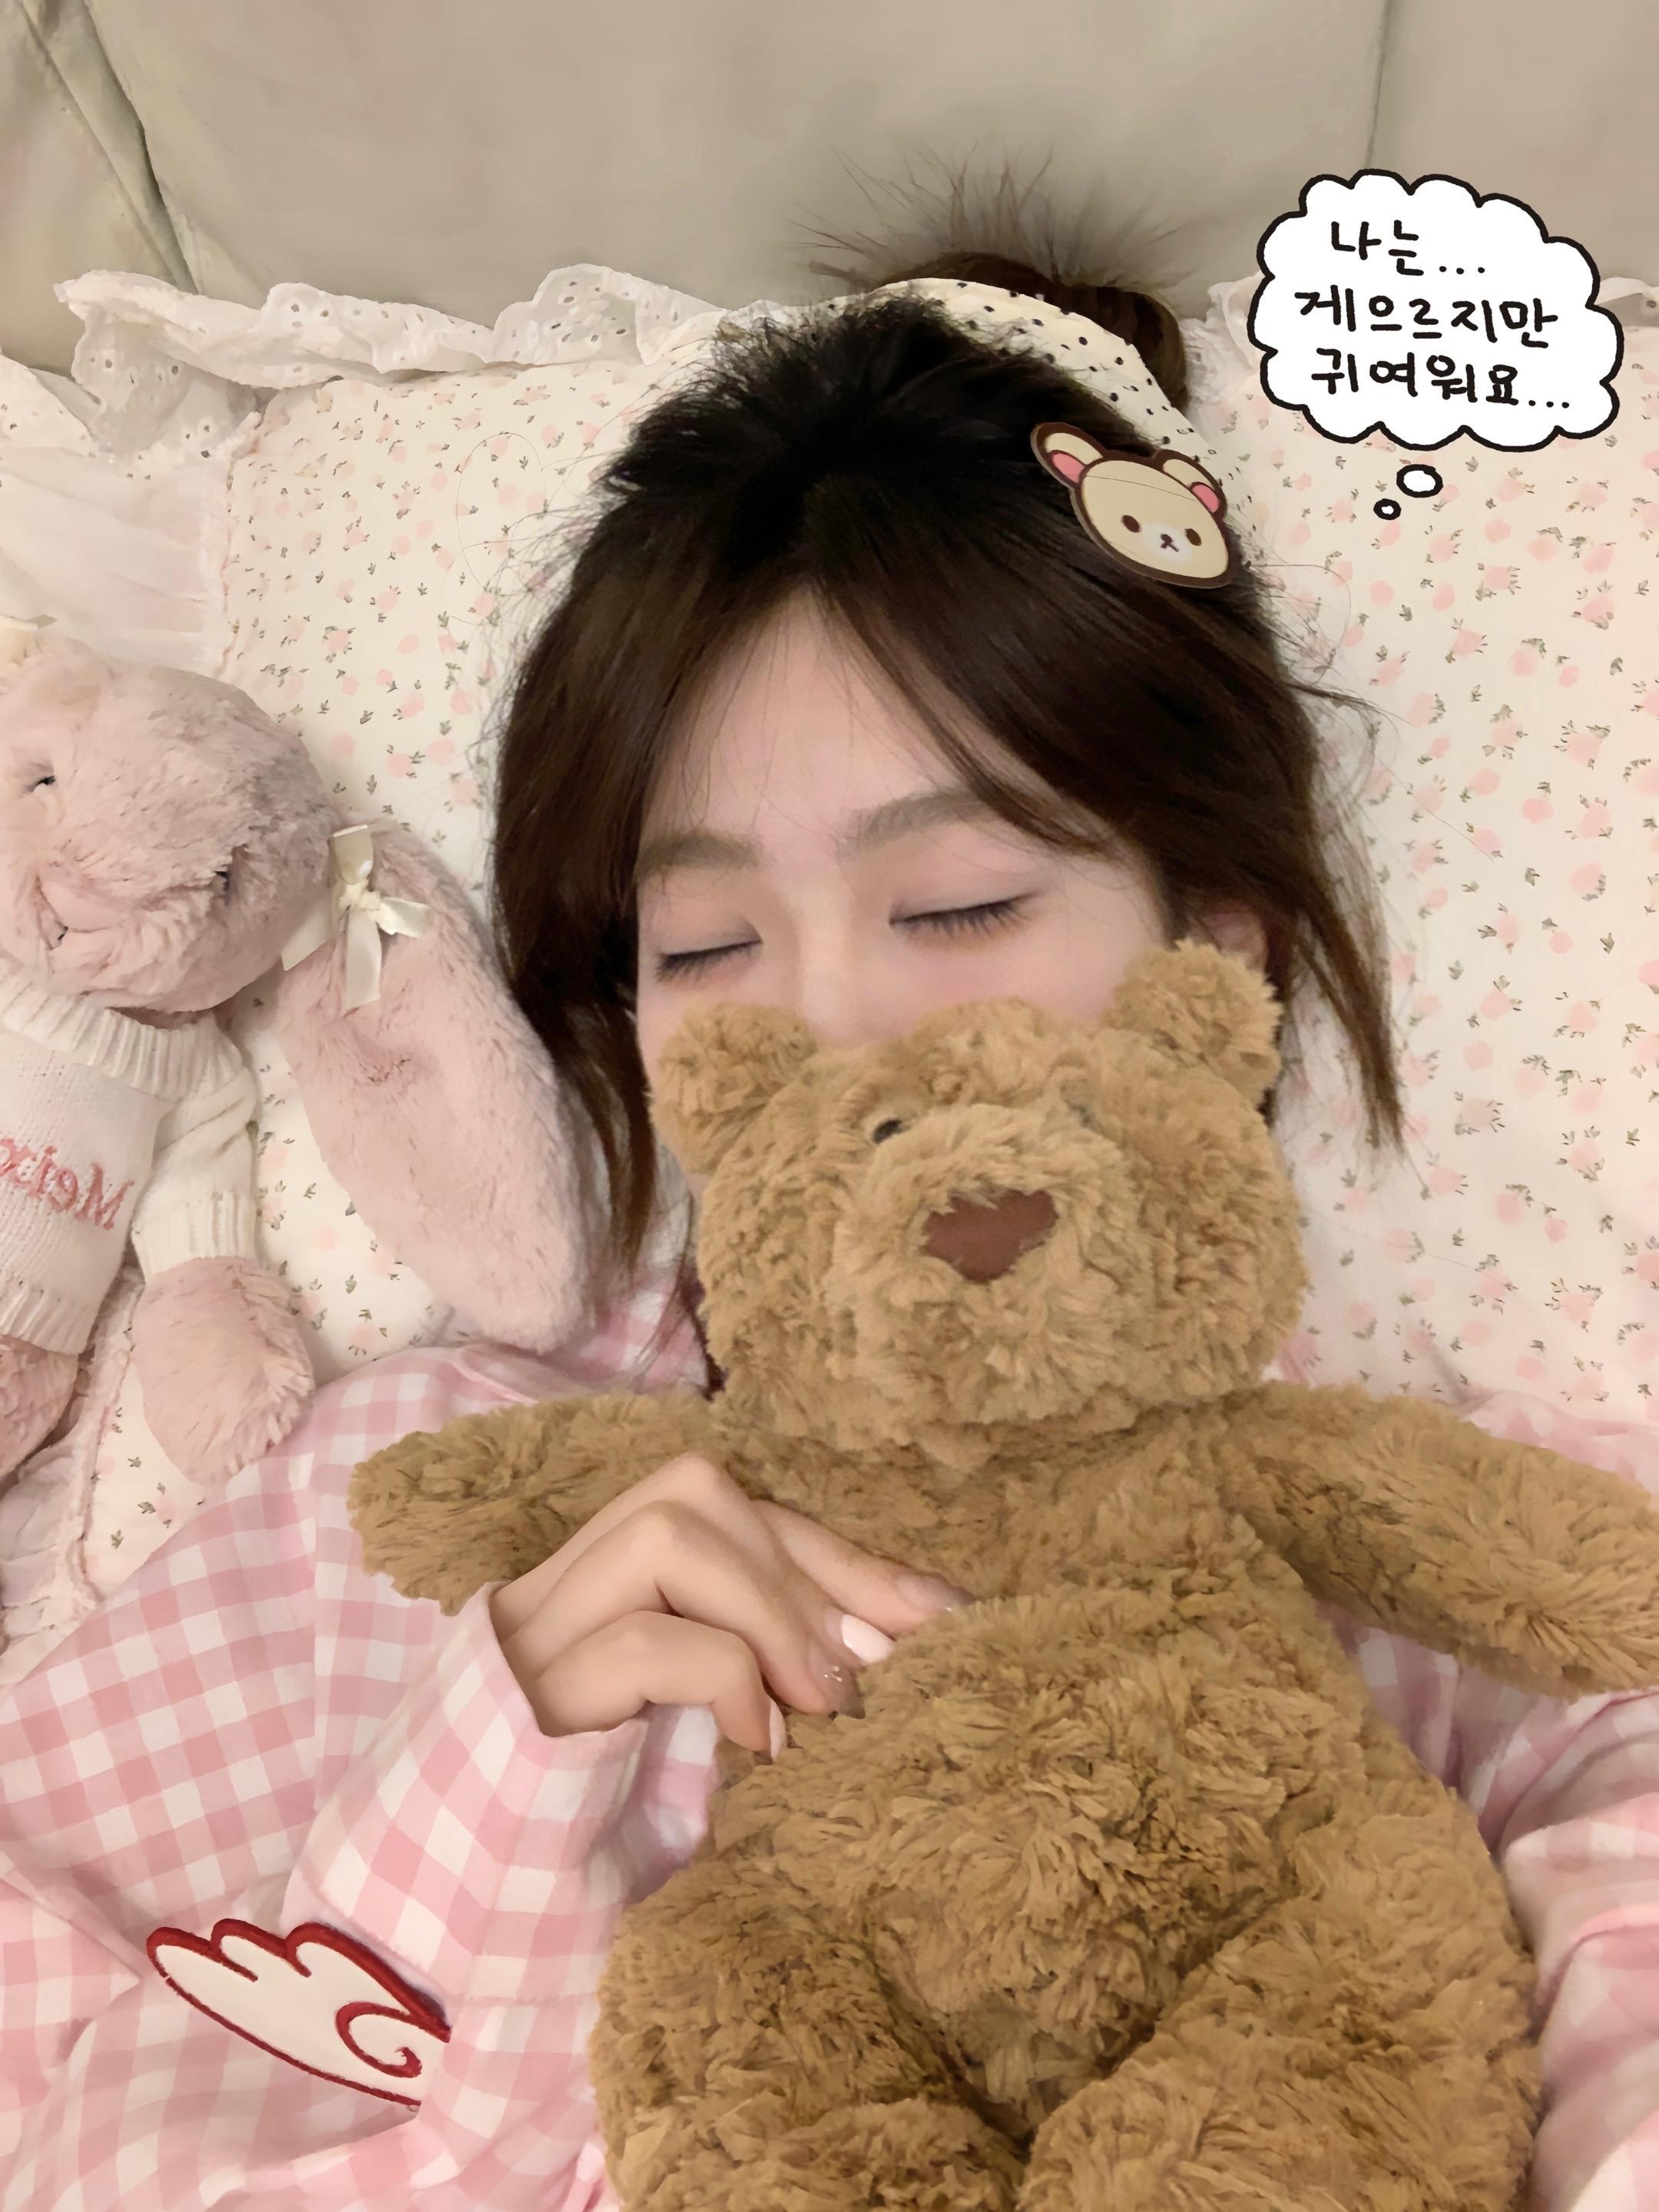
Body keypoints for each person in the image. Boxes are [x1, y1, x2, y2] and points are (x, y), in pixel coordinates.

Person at [2, 256, 1656, 2212]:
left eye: (956, 907)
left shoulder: (1426, 1564)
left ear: (1220, 951)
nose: (837, 1027)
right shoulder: (409, 1495)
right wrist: (497, 1775)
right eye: (705, 945)